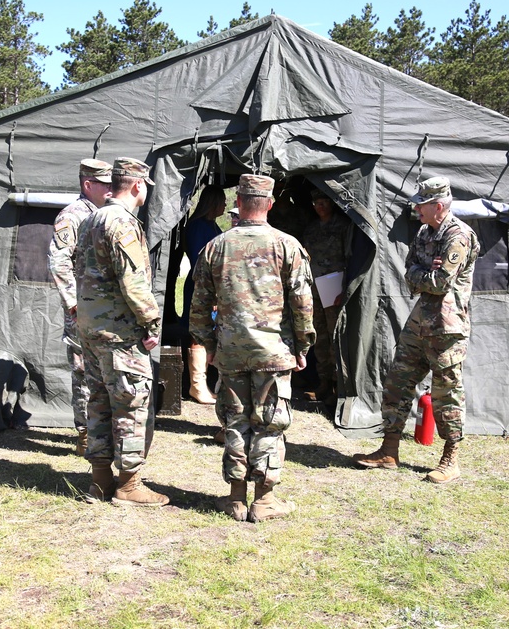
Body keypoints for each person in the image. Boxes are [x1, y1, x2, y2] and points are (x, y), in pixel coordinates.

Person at [190, 174, 315, 522]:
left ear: (240, 202)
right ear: (271, 204)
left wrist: (207, 345)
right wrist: (303, 345)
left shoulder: (216, 246)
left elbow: (198, 303)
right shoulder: (288, 246)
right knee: (269, 423)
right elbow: (302, 304)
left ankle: (234, 498)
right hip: (273, 353)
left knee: (235, 421)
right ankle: (264, 499)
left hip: (230, 351)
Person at [352, 176, 479, 484]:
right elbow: (408, 273)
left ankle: (450, 458)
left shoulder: (459, 236)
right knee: (397, 382)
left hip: (447, 328)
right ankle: (389, 450)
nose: (417, 210)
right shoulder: (424, 232)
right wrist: (425, 271)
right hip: (420, 320)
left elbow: (440, 283)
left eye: (422, 205)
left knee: (446, 391)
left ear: (438, 206)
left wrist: (427, 273)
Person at [76, 157, 168, 507]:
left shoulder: (90, 219)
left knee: (98, 403)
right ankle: (128, 485)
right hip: (119, 333)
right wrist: (151, 323)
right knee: (131, 403)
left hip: (91, 328)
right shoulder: (122, 223)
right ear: (137, 186)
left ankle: (99, 481)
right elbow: (135, 283)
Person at [47, 158, 112, 456]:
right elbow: (59, 261)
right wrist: (73, 304)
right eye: (105, 184)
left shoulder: (105, 214)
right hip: (83, 308)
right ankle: (85, 432)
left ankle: (101, 429)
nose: (112, 189)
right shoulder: (72, 216)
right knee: (83, 370)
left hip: (104, 307)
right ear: (88, 184)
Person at [301, 188, 351, 404]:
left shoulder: (343, 226)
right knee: (319, 336)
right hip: (314, 287)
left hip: (334, 287)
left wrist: (345, 288)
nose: (320, 206)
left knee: (335, 337)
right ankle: (323, 384)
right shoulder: (311, 228)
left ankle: (337, 385)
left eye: (324, 202)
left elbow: (350, 257)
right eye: (317, 203)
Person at [182, 186, 226, 405]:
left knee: (209, 332)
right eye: (223, 201)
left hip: (211, 287)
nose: (226, 205)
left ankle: (204, 383)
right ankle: (197, 386)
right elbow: (201, 260)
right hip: (203, 286)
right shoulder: (199, 226)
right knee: (199, 332)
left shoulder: (210, 225)